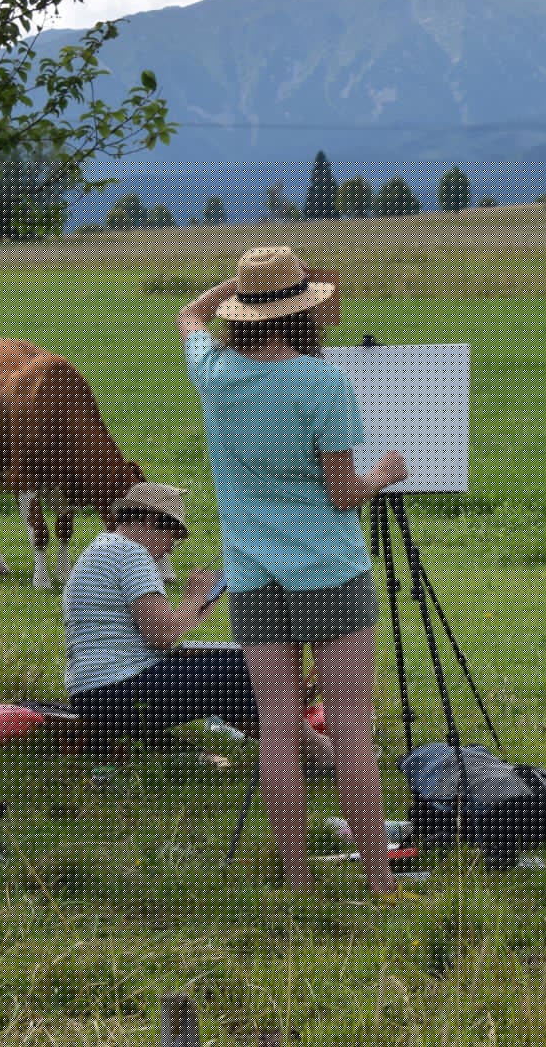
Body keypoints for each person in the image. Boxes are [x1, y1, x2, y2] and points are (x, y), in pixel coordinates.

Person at [178, 247, 409, 898]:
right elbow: (343, 493)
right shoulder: (322, 383)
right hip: (330, 572)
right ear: (300, 312)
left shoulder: (215, 371)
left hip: (254, 578)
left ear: (242, 312)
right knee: (351, 729)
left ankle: (298, 881)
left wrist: (241, 285)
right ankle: (379, 881)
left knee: (278, 729)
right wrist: (384, 473)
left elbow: (188, 314)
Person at [61, 481, 335, 771]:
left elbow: (148, 635)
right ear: (150, 520)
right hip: (118, 692)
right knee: (244, 667)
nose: (170, 547)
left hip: (91, 694)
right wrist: (193, 597)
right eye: (172, 534)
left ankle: (309, 749)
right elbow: (161, 635)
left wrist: (195, 611)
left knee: (229, 675)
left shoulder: (101, 550)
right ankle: (318, 752)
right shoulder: (131, 554)